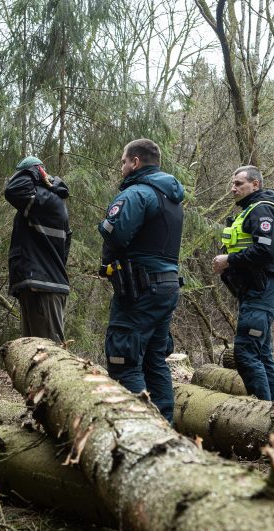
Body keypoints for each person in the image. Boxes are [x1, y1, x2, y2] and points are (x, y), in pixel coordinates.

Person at [98, 139, 184, 422]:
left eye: (123, 161)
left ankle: (139, 428)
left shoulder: (138, 193)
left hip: (141, 289)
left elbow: (115, 232)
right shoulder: (171, 199)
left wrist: (104, 224)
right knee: (153, 361)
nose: (121, 167)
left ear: (135, 162)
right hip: (166, 286)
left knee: (123, 360)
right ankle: (165, 427)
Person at [211, 165, 274, 401]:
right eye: (232, 184)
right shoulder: (249, 210)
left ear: (255, 184)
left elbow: (265, 250)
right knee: (262, 354)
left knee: (245, 353)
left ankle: (260, 413)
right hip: (254, 292)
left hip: (262, 291)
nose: (233, 189)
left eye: (239, 184)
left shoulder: (262, 210)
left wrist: (228, 260)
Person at [4, 156, 71, 343]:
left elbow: (13, 189)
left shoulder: (45, 200)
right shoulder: (48, 201)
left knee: (49, 357)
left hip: (43, 287)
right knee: (36, 355)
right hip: (41, 284)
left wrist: (34, 170)